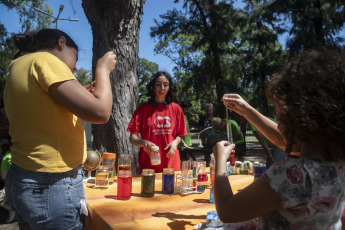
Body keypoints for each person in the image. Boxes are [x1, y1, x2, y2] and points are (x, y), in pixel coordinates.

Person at [214, 47, 345, 229]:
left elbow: (227, 210)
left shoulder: (291, 176)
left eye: (281, 115)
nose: (279, 122)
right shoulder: (337, 165)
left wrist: (220, 161)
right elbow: (288, 143)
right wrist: (247, 110)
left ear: (300, 119)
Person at [4, 29, 116, 229]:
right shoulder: (45, 60)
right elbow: (101, 113)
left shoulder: (18, 65)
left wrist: (80, 93)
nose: (73, 70)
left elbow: (41, 112)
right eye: (75, 59)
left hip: (23, 178)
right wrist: (102, 71)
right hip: (50, 185)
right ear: (61, 43)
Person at [127, 71, 187, 174]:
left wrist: (175, 143)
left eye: (166, 85)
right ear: (153, 86)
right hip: (148, 165)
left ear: (169, 87)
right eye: (158, 84)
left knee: (171, 190)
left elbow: (180, 135)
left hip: (171, 164)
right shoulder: (142, 109)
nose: (162, 88)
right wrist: (144, 143)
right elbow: (132, 138)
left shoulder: (176, 109)